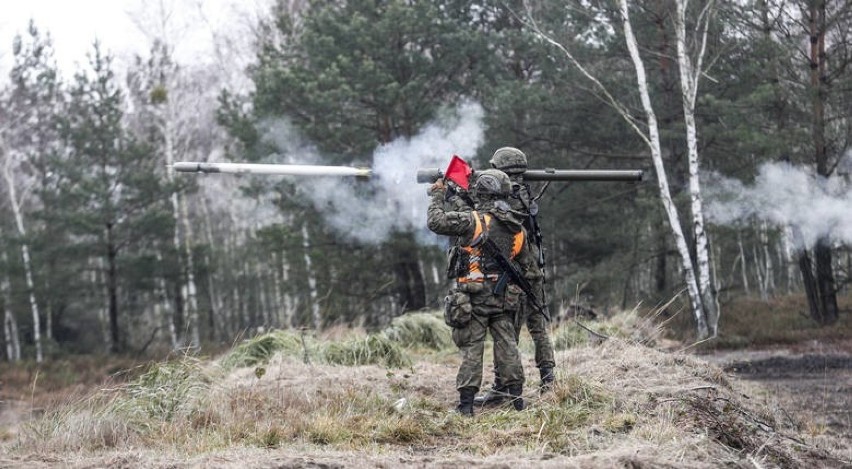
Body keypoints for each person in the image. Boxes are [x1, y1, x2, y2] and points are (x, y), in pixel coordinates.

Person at [426, 169, 536, 416]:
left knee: (472, 348)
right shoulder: (517, 227)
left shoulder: (473, 221)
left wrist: (437, 193)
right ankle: (517, 400)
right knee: (507, 345)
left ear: (482, 191)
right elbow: (527, 265)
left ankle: (466, 406)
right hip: (504, 297)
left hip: (474, 296)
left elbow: (435, 221)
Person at [475, 147, 556, 406]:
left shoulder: (503, 199)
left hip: (514, 274)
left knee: (507, 332)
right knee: (538, 327)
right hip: (533, 269)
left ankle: (505, 387)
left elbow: (476, 215)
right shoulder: (524, 195)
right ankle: (548, 380)